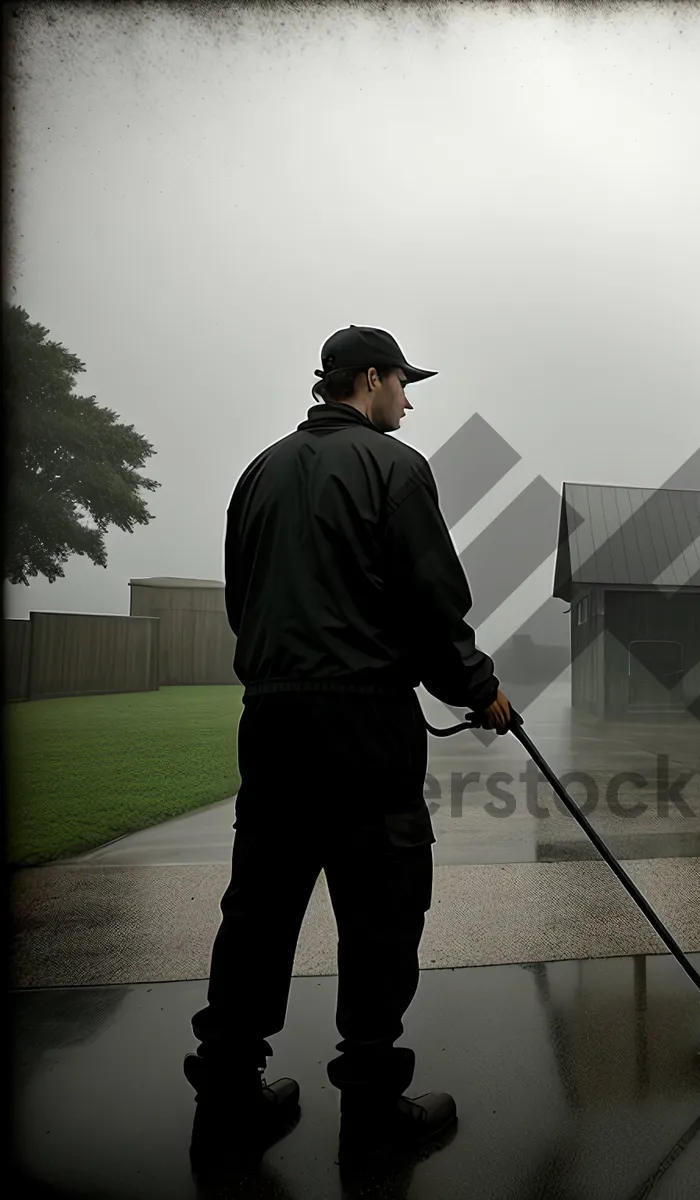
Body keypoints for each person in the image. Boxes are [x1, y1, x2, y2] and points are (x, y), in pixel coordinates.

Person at [183, 324, 512, 1177]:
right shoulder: (395, 467)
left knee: (259, 907)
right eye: (404, 383)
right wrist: (479, 690)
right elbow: (431, 604)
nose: (410, 398)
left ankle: (227, 1095)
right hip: (364, 720)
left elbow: (242, 599)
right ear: (369, 379)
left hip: (274, 717)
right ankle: (371, 1109)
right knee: (381, 907)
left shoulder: (258, 472)